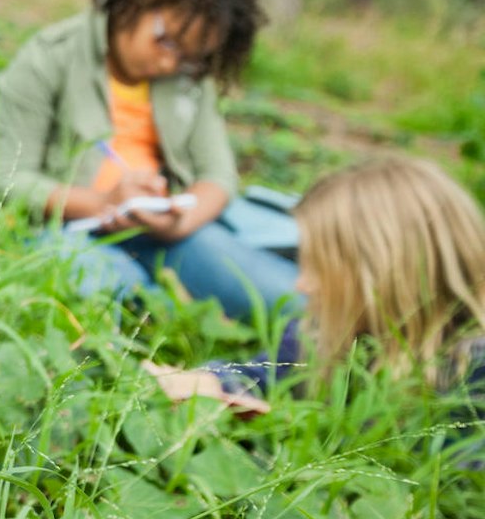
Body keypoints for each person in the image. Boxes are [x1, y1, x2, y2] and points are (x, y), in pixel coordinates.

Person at [0, 0, 300, 324]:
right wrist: (103, 203)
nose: (170, 62)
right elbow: (9, 179)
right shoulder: (49, 56)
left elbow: (218, 177)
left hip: (167, 234)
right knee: (109, 303)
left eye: (190, 57)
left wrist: (180, 220)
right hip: (73, 230)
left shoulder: (189, 79)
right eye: (166, 41)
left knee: (290, 299)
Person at [146, 156, 485, 429]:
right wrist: (210, 383)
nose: (301, 284)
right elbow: (260, 374)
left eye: (320, 269)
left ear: (385, 278)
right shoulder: (325, 333)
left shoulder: (472, 372)